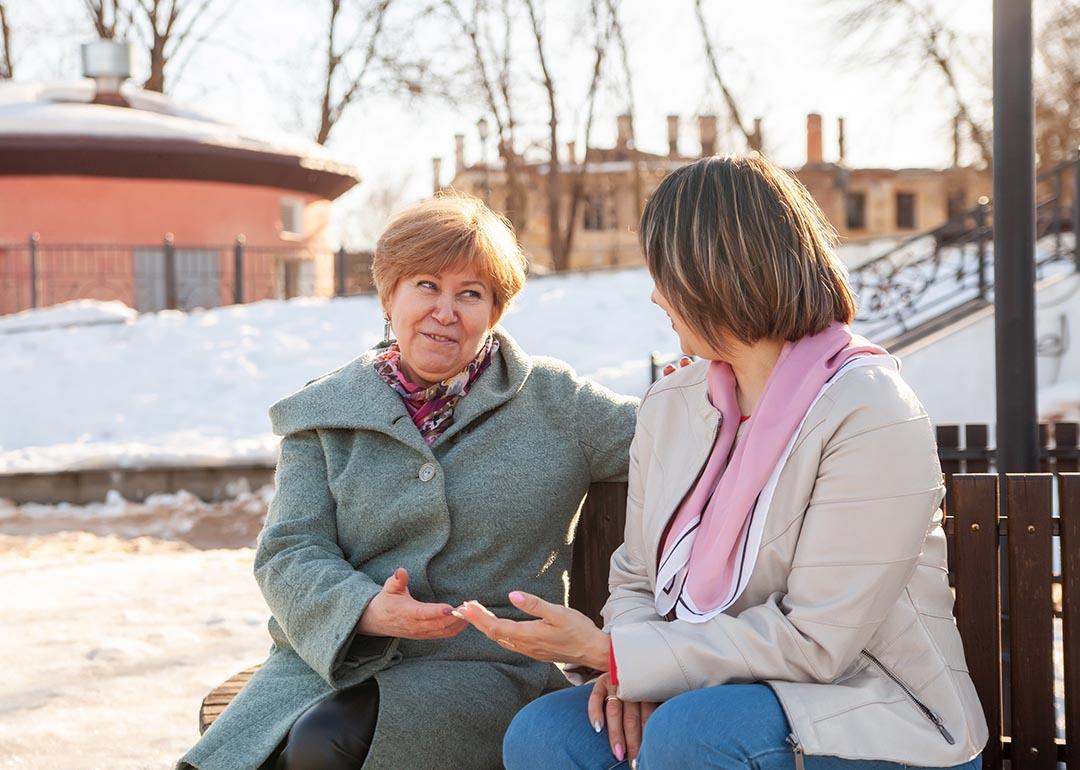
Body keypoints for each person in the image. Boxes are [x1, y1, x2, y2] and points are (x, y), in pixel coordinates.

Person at [456, 155, 988, 769]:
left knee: (695, 734)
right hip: (710, 695)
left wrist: (623, 658)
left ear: (717, 272)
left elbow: (818, 642)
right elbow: (636, 578)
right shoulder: (673, 402)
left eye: (665, 273)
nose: (655, 295)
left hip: (872, 710)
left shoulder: (869, 409)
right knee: (548, 734)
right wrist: (636, 670)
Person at [177, 193, 638, 770]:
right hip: (333, 663)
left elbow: (679, 440)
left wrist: (705, 378)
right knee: (271, 752)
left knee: (324, 744)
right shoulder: (327, 411)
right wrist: (366, 609)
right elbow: (290, 549)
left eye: (470, 294)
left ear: (494, 311)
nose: (446, 311)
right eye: (426, 285)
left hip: (487, 667)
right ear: (389, 295)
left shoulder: (558, 402)